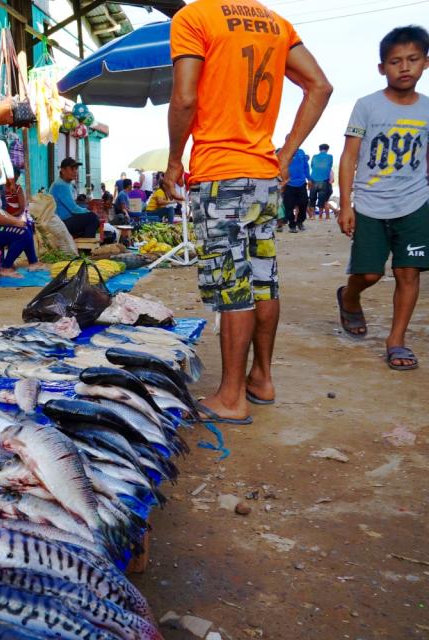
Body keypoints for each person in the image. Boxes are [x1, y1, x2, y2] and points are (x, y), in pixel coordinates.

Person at [163, 0, 332, 422]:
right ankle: (261, 378)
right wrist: (288, 151)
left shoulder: (194, 17)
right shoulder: (276, 24)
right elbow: (320, 86)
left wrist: (173, 160)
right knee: (262, 281)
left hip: (220, 176)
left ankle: (231, 397)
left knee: (231, 286)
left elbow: (184, 98)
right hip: (261, 176)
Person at [336, 25, 429, 371]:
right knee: (370, 274)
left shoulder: (427, 110)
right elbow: (349, 157)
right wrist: (346, 204)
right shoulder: (367, 106)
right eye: (395, 61)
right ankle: (349, 296)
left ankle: (397, 341)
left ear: (425, 63)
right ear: (382, 68)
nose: (404, 67)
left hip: (416, 202)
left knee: (409, 272)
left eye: (412, 60)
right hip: (372, 204)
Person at [49, 157, 101, 238]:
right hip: (60, 223)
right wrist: (90, 211)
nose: (75, 172)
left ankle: (84, 242)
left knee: (92, 217)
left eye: (76, 169)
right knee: (92, 218)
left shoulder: (68, 184)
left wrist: (88, 208)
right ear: (63, 170)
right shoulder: (61, 185)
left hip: (66, 220)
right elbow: (74, 209)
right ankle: (86, 247)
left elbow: (74, 205)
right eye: (72, 169)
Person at [283, 144, 310, 231]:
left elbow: (306, 166)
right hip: (289, 184)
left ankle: (300, 222)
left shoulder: (301, 152)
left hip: (302, 183)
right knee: (289, 206)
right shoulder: (284, 152)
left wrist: (309, 178)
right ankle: (292, 225)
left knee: (304, 203)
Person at [308, 143, 334, 219]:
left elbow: (312, 166)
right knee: (322, 199)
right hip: (324, 181)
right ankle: (320, 216)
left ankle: (313, 215)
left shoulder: (315, 156)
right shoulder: (330, 156)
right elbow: (330, 166)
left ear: (319, 149)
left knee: (312, 198)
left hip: (314, 180)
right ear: (327, 149)